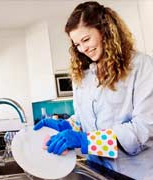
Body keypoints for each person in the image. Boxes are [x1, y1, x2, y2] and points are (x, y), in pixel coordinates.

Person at [34, 1, 153, 179]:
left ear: (105, 30)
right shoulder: (84, 75)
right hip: (96, 171)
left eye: (86, 39)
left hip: (134, 173)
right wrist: (67, 125)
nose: (83, 49)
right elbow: (83, 120)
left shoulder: (141, 66)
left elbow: (144, 129)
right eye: (77, 44)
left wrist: (85, 141)